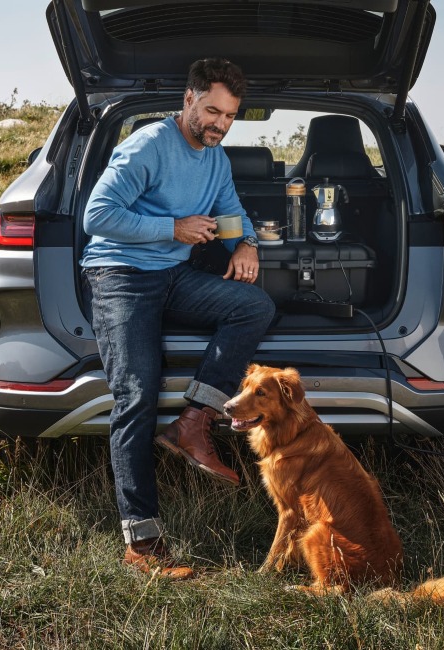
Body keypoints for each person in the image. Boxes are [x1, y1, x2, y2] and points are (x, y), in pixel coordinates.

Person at [80, 58, 275, 580]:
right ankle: (142, 545)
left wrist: (247, 243)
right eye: (212, 111)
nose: (220, 124)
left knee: (253, 305)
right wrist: (173, 228)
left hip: (172, 274)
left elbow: (230, 212)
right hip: (120, 275)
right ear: (188, 99)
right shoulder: (148, 146)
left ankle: (194, 421)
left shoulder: (214, 157)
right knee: (136, 395)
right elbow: (96, 215)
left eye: (229, 116)